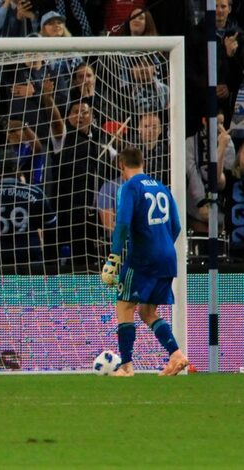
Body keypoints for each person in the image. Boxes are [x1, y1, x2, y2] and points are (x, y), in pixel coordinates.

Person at [101, 147, 189, 377]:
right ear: (144, 162)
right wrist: (162, 243)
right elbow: (177, 225)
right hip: (168, 256)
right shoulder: (162, 187)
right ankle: (177, 354)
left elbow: (122, 224)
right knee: (147, 311)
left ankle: (127, 366)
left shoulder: (129, 187)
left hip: (143, 257)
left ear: (121, 165)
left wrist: (114, 258)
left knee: (124, 303)